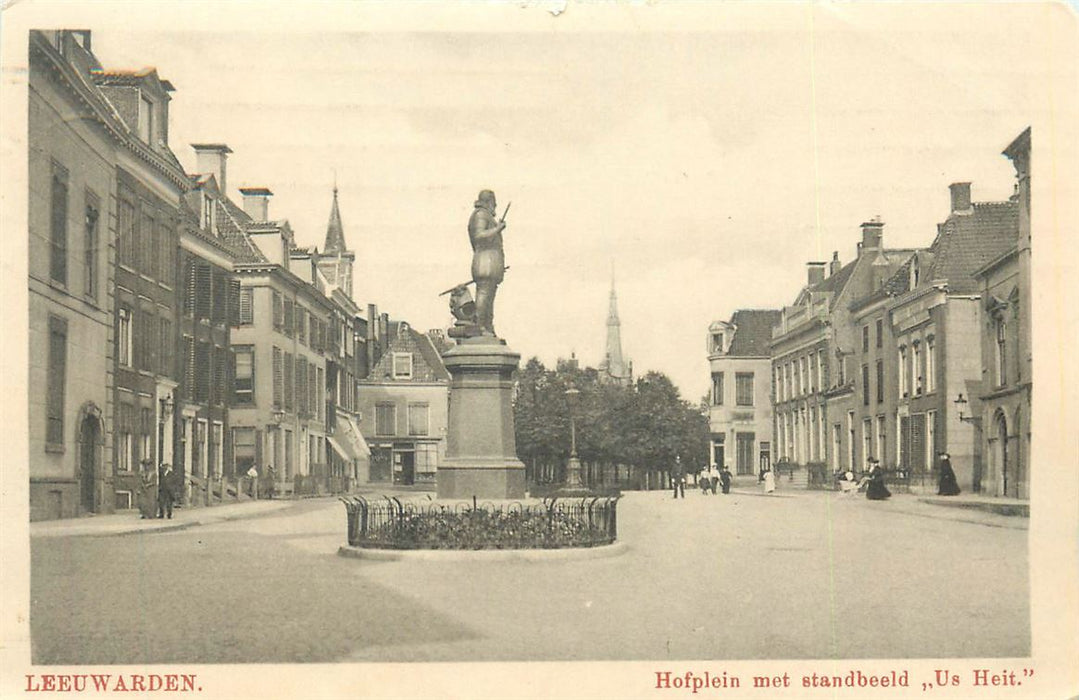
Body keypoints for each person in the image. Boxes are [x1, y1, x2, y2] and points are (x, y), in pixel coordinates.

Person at [468, 190, 507, 337]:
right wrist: (498, 228)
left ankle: (487, 326)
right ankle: (480, 327)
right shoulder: (480, 215)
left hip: (491, 263)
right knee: (484, 295)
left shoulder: (485, 216)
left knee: (489, 297)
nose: (495, 208)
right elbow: (479, 236)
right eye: (494, 204)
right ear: (489, 202)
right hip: (485, 262)